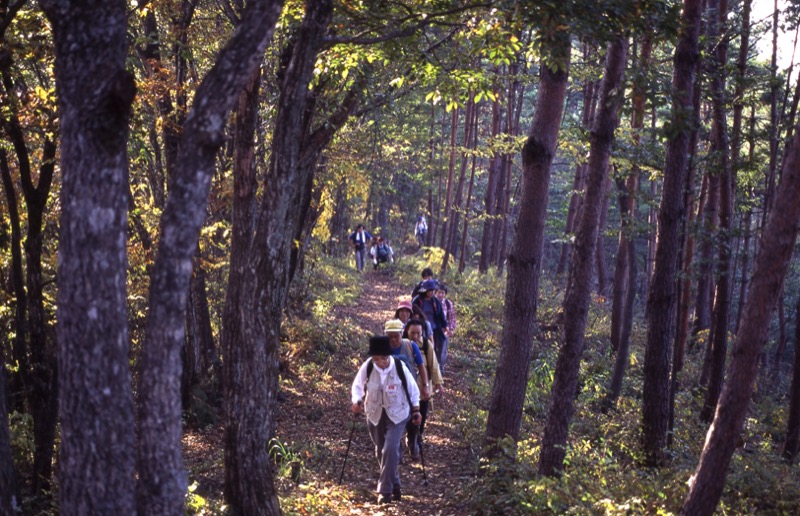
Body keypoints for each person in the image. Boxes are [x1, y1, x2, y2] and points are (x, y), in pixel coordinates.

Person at [351, 336, 421, 504]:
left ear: (388, 356)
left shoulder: (399, 366)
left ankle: (385, 491)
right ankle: (395, 484)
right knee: (380, 450)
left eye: (382, 358)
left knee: (390, 448)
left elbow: (413, 390)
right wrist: (356, 400)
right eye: (375, 358)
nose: (379, 362)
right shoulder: (368, 366)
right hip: (375, 413)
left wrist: (417, 410)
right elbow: (357, 386)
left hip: (398, 413)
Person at [403, 318, 443, 459]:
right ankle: (411, 437)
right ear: (407, 331)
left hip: (422, 387)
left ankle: (416, 438)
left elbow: (433, 364)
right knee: (408, 415)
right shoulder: (401, 344)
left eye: (418, 333)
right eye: (412, 333)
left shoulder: (426, 344)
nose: (415, 336)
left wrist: (438, 383)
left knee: (422, 414)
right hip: (405, 388)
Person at [412, 279, 448, 375]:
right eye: (430, 290)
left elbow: (440, 315)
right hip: (421, 328)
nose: (432, 292)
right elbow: (413, 312)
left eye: (433, 290)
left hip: (435, 329)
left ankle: (434, 368)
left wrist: (445, 326)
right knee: (421, 347)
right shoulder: (418, 300)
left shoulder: (435, 301)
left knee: (435, 348)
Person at [436, 284, 456, 374]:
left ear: (445, 294)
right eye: (439, 292)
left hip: (444, 332)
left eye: (442, 293)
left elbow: (452, 318)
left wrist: (451, 329)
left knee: (442, 352)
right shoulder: (432, 302)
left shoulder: (448, 304)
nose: (440, 294)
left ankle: (441, 369)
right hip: (433, 331)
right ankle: (433, 370)